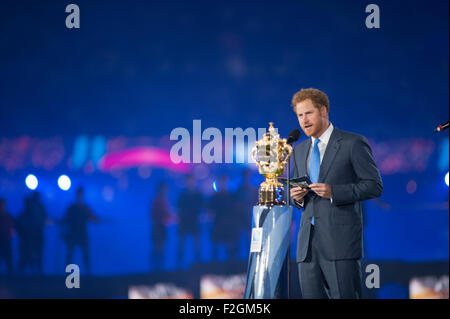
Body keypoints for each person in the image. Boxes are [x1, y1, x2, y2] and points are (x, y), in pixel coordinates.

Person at [290, 88, 383, 299]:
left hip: (340, 243)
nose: (304, 120)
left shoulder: (352, 143)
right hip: (307, 247)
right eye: (299, 115)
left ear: (323, 111)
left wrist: (334, 192)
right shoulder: (299, 150)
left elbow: (374, 185)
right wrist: (295, 197)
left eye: (308, 113)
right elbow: (296, 195)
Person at [62, 187, 99, 274]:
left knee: (85, 254)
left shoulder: (85, 208)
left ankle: (88, 274)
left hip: (82, 234)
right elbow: (65, 219)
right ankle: (67, 275)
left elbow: (93, 217)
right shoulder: (72, 208)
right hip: (73, 234)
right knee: (70, 254)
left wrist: (99, 220)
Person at [177, 175, 203, 267]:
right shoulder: (183, 195)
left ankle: (198, 263)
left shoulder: (197, 195)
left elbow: (202, 208)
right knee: (181, 244)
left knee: (196, 244)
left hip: (194, 222)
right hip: (184, 222)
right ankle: (179, 264)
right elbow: (179, 209)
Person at [150, 182, 172, 271]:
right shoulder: (159, 200)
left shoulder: (162, 200)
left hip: (160, 227)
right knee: (158, 249)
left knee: (159, 249)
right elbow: (158, 214)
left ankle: (158, 268)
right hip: (158, 228)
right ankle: (157, 269)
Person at [0, 198, 14, 275]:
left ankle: (10, 276)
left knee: (8, 259)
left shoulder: (8, 217)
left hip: (6, 240)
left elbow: (12, 228)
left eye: (3, 205)